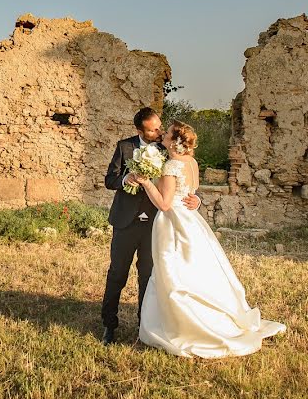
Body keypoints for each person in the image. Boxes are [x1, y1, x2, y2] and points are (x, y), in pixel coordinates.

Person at [133, 120, 286, 358]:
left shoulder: (172, 165)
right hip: (191, 221)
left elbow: (164, 204)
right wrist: (197, 201)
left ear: (175, 141)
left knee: (173, 273)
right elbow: (191, 193)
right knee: (196, 270)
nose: (163, 134)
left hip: (173, 223)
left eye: (168, 133)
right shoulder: (191, 162)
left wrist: (145, 183)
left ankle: (182, 326)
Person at [101, 108, 201, 345]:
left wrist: (197, 200)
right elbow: (109, 180)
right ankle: (109, 325)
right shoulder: (124, 146)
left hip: (155, 224)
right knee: (117, 273)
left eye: (159, 127)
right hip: (125, 222)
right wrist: (126, 179)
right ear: (139, 130)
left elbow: (184, 178)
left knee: (148, 276)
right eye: (152, 129)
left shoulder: (168, 150)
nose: (158, 132)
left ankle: (143, 326)